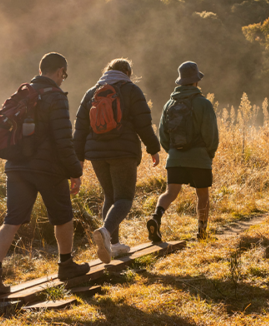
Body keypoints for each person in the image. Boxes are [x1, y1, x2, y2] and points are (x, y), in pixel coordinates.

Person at [0, 52, 89, 294]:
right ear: (60, 70)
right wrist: (75, 171)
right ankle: (66, 265)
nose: (63, 79)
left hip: (17, 166)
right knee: (63, 217)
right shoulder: (56, 97)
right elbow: (63, 139)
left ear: (41, 69)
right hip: (47, 167)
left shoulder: (24, 94)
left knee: (12, 220)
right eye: (64, 74)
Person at [74, 58, 161, 263]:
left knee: (110, 197)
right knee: (124, 198)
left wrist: (78, 159)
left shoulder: (90, 93)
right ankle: (105, 232)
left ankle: (113, 245)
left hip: (96, 154)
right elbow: (143, 123)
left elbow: (79, 130)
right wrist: (153, 148)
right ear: (127, 73)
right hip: (123, 152)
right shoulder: (131, 90)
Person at [148, 61, 219, 242]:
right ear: (196, 81)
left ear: (180, 81)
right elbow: (211, 134)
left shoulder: (169, 104)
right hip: (200, 157)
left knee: (170, 193)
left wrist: (173, 152)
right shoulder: (204, 103)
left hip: (175, 158)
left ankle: (156, 217)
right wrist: (208, 154)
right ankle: (202, 233)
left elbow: (163, 134)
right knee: (202, 195)